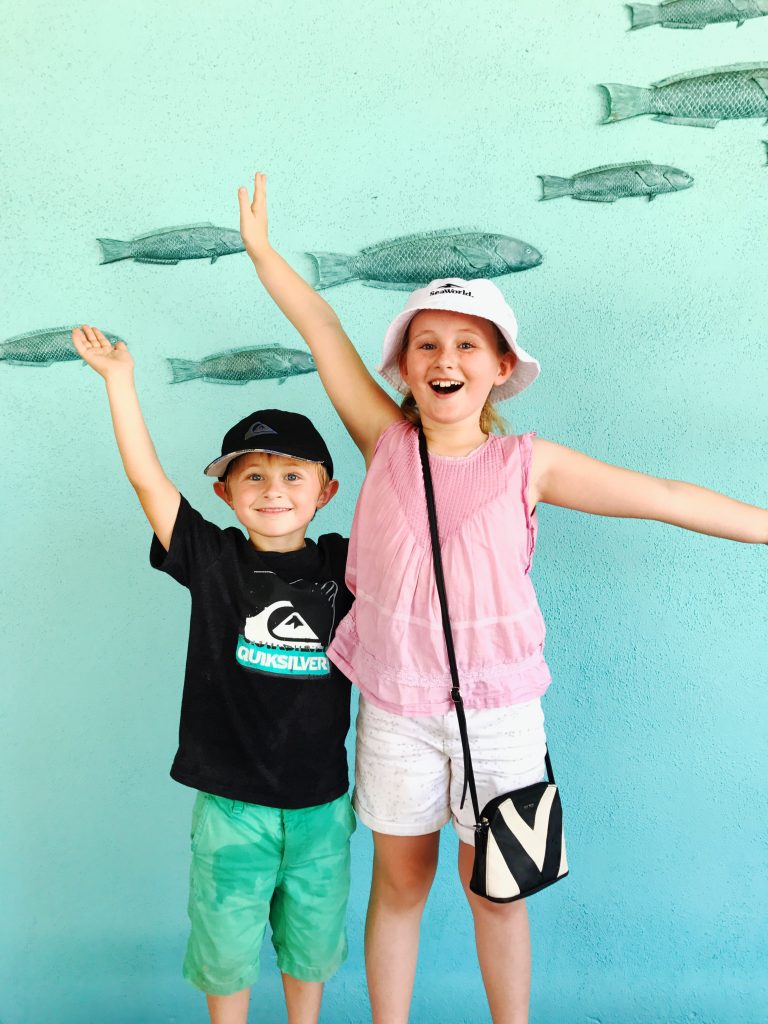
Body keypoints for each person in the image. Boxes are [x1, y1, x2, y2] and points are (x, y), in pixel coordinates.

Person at [237, 173, 768, 1024]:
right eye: (427, 345)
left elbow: (665, 495)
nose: (445, 360)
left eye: (467, 345)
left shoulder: (530, 464)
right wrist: (264, 253)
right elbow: (322, 328)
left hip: (501, 717)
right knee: (399, 887)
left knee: (498, 892)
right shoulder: (384, 443)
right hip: (396, 709)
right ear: (404, 368)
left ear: (501, 368)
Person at [72, 324, 356, 1024]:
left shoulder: (348, 563)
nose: (273, 490)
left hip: (322, 807)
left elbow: (408, 501)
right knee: (225, 954)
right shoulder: (212, 557)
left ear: (326, 491)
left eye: (293, 476)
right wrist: (119, 382)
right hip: (232, 809)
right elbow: (147, 480)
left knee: (311, 951)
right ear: (225, 492)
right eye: (253, 476)